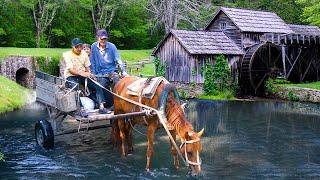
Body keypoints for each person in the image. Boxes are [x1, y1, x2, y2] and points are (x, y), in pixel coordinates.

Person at [63, 38, 110, 114]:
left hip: (83, 75)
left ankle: (102, 107)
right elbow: (71, 70)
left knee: (97, 85)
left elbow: (87, 67)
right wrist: (83, 73)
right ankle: (80, 109)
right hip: (71, 76)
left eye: (80, 46)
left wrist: (90, 75)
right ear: (72, 47)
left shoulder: (84, 54)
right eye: (77, 47)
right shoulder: (67, 55)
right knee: (75, 88)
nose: (79, 49)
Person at [90, 29, 128, 110]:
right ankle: (106, 105)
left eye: (105, 39)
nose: (103, 40)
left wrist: (124, 72)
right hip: (100, 73)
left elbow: (118, 59)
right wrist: (93, 73)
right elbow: (92, 61)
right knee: (101, 86)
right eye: (102, 39)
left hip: (111, 72)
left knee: (119, 85)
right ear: (98, 38)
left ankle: (120, 104)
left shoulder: (112, 46)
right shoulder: (93, 46)